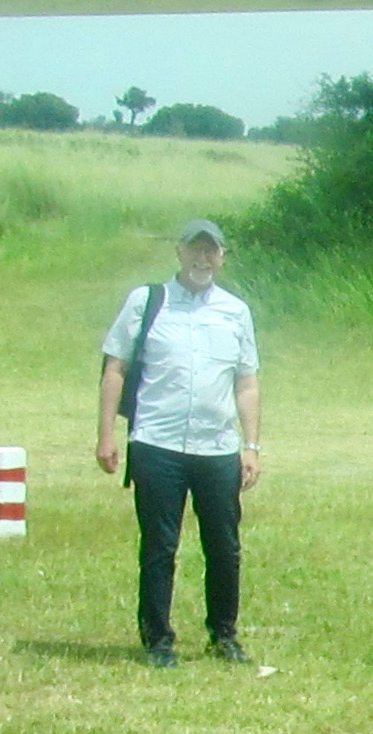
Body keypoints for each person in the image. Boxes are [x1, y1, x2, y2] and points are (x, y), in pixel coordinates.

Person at [95, 218, 262, 669]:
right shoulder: (148, 302)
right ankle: (157, 639)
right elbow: (116, 368)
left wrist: (251, 446)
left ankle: (224, 634)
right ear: (179, 252)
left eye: (211, 251)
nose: (202, 259)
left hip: (217, 448)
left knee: (224, 547)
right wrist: (107, 434)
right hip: (157, 443)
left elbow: (246, 382)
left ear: (222, 257)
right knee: (159, 546)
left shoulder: (235, 311)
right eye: (194, 250)